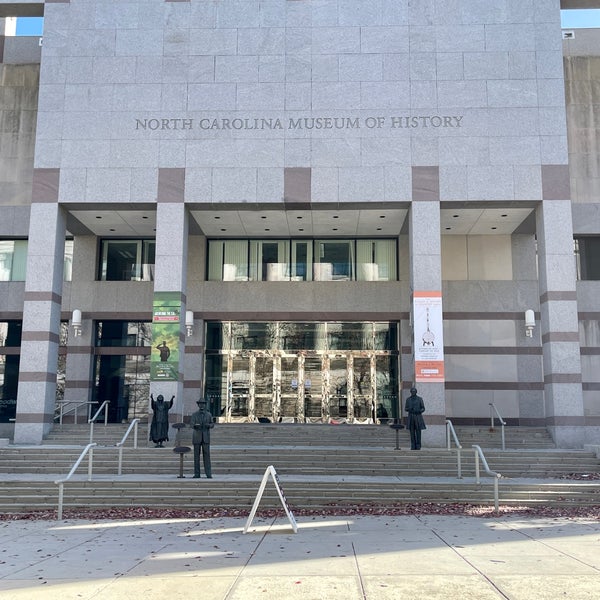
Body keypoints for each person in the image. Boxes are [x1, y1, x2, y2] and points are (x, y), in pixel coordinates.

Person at [191, 398, 214, 478]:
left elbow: (212, 424)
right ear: (198, 405)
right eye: (200, 404)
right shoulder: (194, 415)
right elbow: (191, 424)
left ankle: (208, 473)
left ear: (205, 405)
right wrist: (195, 426)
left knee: (207, 456)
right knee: (196, 457)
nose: (202, 405)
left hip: (205, 437)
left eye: (203, 404)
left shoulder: (209, 414)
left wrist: (209, 425)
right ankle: (197, 474)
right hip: (197, 436)